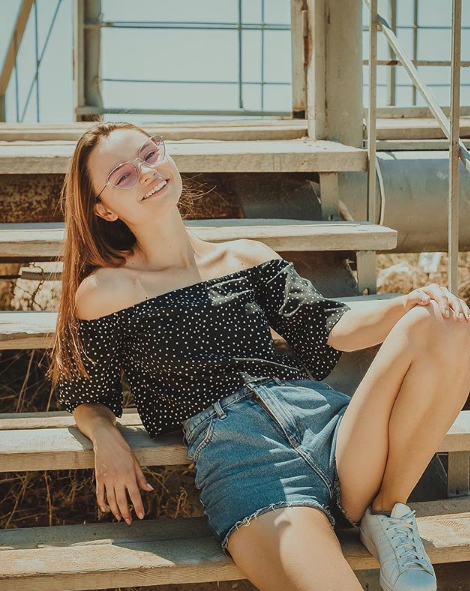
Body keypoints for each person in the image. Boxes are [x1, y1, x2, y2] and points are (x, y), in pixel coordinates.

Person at [48, 121, 470, 591]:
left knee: (442, 321)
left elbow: (328, 328)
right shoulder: (104, 291)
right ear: (104, 209)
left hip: (331, 430)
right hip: (245, 461)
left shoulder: (245, 257)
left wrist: (405, 304)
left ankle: (387, 511)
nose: (146, 171)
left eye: (149, 153)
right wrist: (105, 434)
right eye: (123, 175)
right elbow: (86, 394)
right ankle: (377, 512)